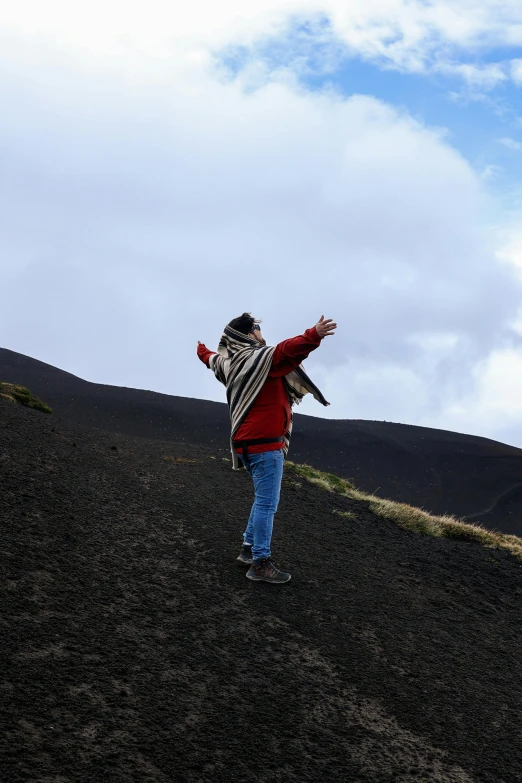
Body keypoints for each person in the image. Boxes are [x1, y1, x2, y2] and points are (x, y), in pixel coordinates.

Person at [197, 313, 337, 584]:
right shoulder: (258, 360)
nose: (262, 333)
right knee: (267, 504)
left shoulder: (230, 363)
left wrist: (201, 350)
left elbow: (210, 359)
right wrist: (314, 334)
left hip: (245, 443)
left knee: (261, 499)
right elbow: (286, 351)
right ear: (248, 335)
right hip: (265, 444)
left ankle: (248, 550)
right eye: (258, 328)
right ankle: (260, 563)